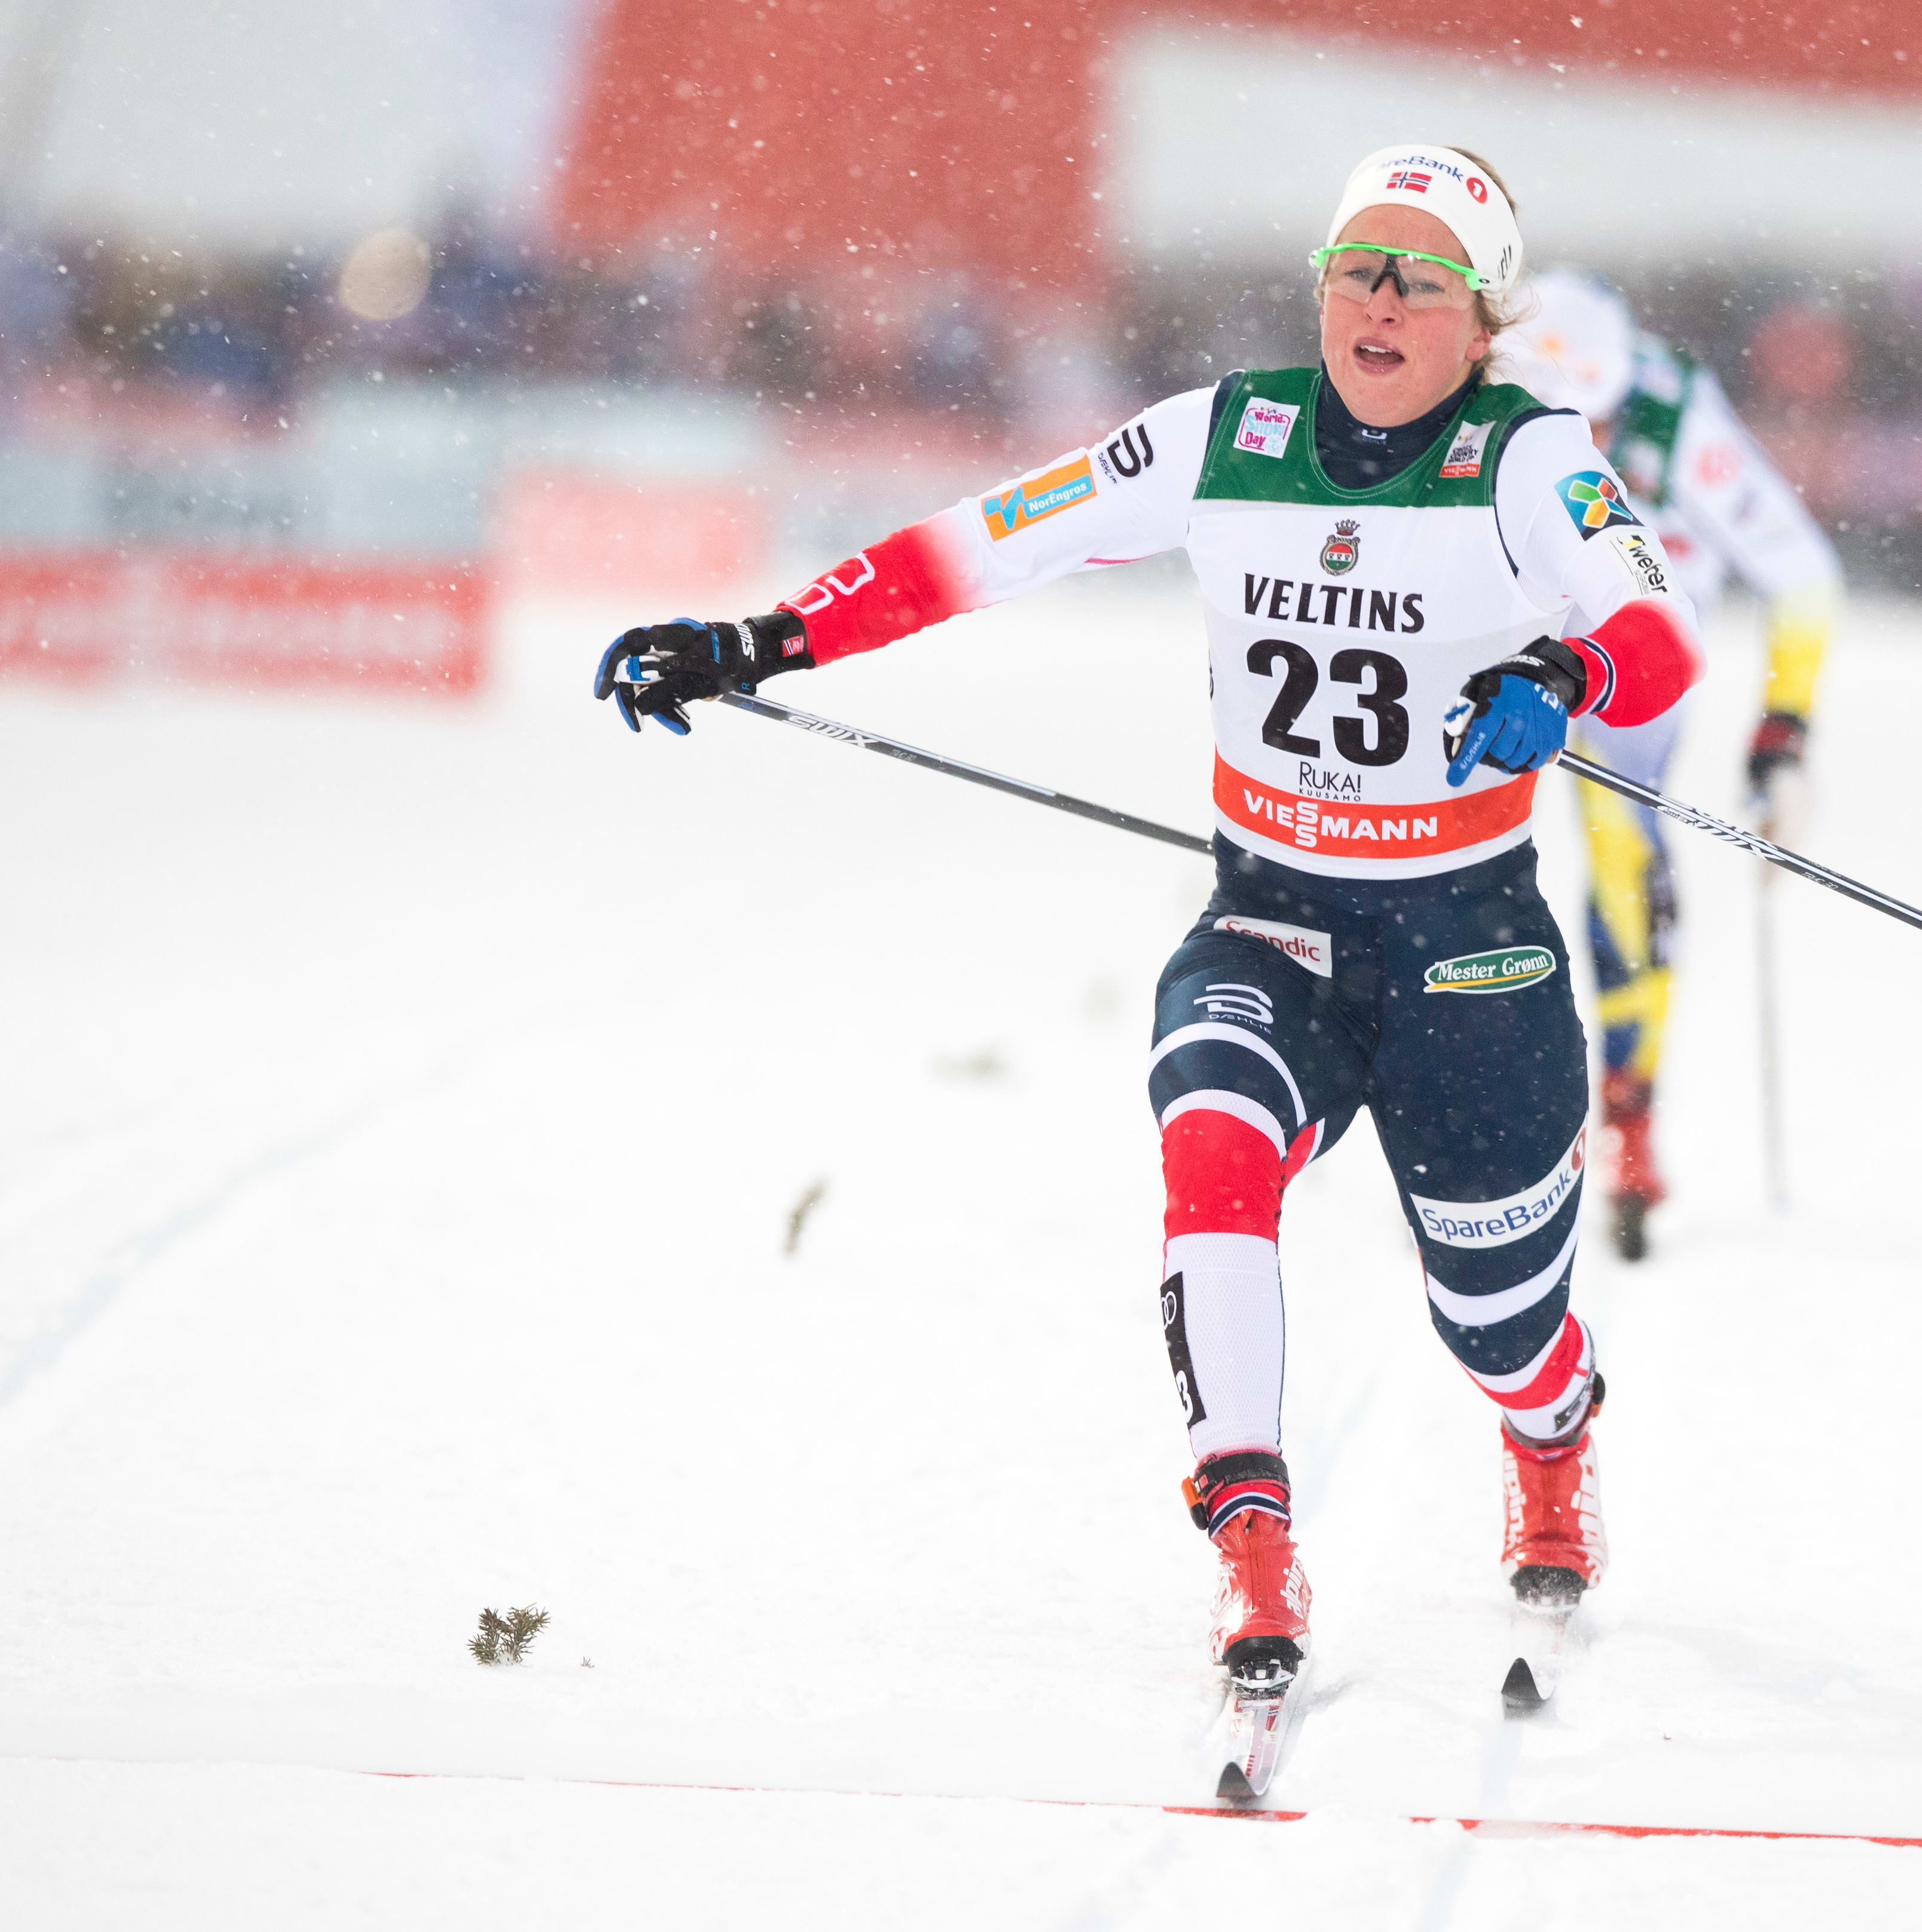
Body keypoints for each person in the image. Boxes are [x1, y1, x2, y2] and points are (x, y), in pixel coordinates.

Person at [594, 148, 1701, 1701]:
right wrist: (761, 638)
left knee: (1498, 1326)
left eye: (1421, 280)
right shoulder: (1225, 435)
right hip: (1272, 920)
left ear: (1483, 317)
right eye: (1357, 270)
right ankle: (1253, 1539)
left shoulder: (1528, 461)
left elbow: (1658, 633)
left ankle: (1551, 1430)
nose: (1380, 305)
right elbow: (983, 541)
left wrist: (1569, 677)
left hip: (1468, 943)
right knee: (1212, 1146)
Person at [1504, 272, 1842, 1260]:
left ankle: (1628, 1119)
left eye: (1601, 420)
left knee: (1622, 860)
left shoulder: (1674, 415)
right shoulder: (1479, 389)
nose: (1591, 443)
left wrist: (1781, 739)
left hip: (1635, 665)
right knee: (1446, 872)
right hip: (1506, 645)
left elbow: (1803, 578)